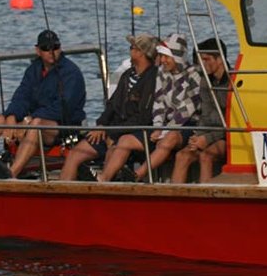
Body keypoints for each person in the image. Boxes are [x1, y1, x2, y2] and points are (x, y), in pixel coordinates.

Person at [0, 29, 86, 179]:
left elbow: (63, 108)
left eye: (55, 47)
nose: (51, 51)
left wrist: (28, 121)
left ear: (60, 48)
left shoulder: (72, 73)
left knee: (37, 124)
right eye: (46, 48)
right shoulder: (33, 70)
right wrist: (12, 116)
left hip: (62, 127)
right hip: (33, 121)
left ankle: (12, 173)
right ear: (38, 50)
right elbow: (21, 96)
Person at [97, 34, 204, 182]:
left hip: (188, 125)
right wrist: (158, 126)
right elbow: (158, 103)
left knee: (169, 138)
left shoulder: (194, 75)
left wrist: (164, 131)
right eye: (161, 56)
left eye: (167, 56)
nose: (163, 60)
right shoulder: (161, 72)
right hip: (164, 126)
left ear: (177, 57)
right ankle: (103, 179)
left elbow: (186, 111)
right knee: (125, 140)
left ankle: (137, 175)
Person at [58, 33, 159, 181]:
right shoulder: (127, 75)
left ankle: (101, 183)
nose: (129, 51)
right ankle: (63, 191)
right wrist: (101, 125)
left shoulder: (153, 78)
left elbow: (142, 118)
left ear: (140, 53)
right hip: (112, 130)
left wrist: (111, 132)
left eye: (131, 48)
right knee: (75, 153)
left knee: (115, 148)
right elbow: (112, 105)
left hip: (134, 134)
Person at [171, 37, 230, 184]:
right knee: (182, 155)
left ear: (220, 59)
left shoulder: (233, 81)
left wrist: (207, 139)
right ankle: (172, 201)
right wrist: (198, 136)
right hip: (210, 132)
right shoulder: (205, 81)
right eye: (201, 60)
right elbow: (206, 115)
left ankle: (207, 201)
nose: (202, 64)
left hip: (229, 136)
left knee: (206, 156)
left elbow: (231, 122)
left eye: (207, 59)